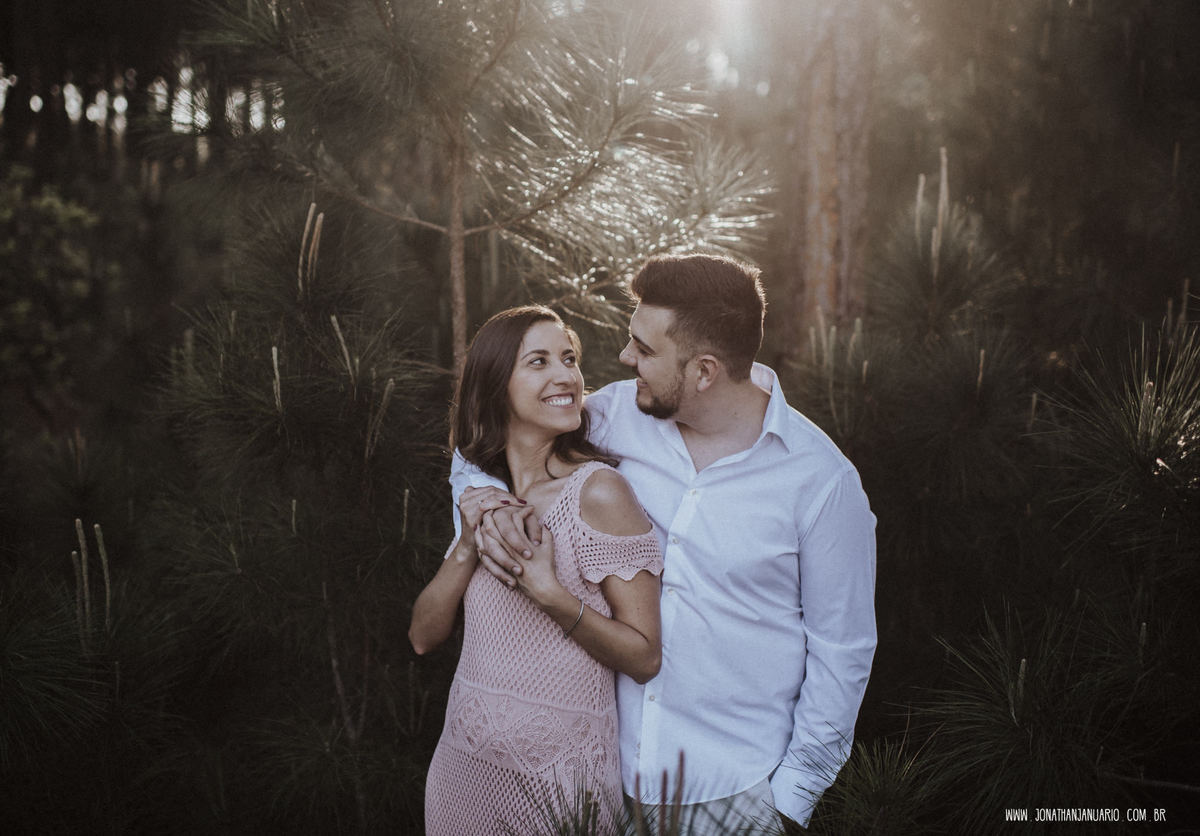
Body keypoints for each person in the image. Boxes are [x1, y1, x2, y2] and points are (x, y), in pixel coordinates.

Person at [454, 254, 877, 833]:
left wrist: (788, 805)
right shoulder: (608, 417)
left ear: (704, 371)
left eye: (645, 350)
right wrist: (483, 497)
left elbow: (842, 653)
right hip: (597, 783)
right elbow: (496, 430)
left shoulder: (822, 484)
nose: (627, 359)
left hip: (733, 795)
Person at [410, 306, 665, 835]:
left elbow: (644, 657)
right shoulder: (488, 498)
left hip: (561, 787)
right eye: (539, 362)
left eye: (569, 360)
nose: (566, 377)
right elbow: (422, 637)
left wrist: (549, 593)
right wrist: (467, 543)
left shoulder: (597, 492)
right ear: (495, 385)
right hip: (464, 771)